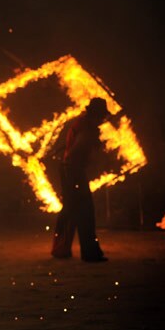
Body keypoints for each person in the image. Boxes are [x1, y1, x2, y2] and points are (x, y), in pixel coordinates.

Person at [51, 97, 110, 262]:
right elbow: (76, 151)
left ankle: (61, 249)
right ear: (96, 115)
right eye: (101, 116)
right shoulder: (87, 129)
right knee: (85, 212)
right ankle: (89, 253)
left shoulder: (82, 124)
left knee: (71, 210)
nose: (102, 120)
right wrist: (76, 172)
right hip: (73, 171)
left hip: (69, 170)